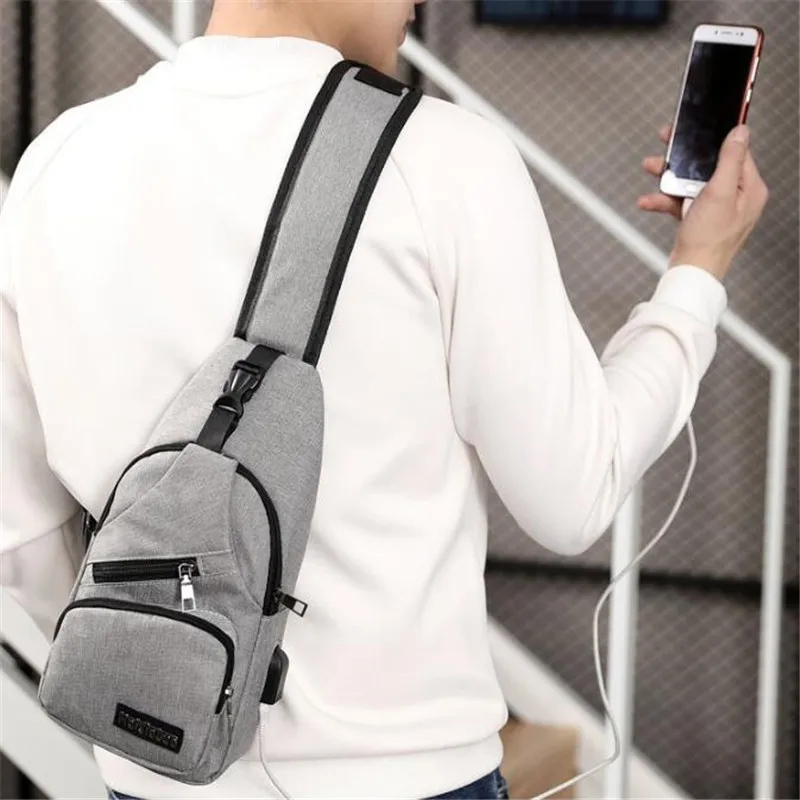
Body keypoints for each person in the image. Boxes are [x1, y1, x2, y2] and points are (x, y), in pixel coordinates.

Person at [0, 1, 768, 799]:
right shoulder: (444, 157)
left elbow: (20, 534)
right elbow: (575, 493)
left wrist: (164, 667)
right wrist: (697, 272)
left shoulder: (58, 161)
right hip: (405, 774)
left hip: (156, 771)